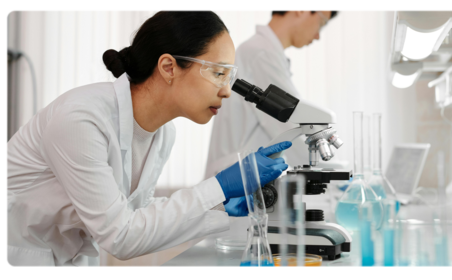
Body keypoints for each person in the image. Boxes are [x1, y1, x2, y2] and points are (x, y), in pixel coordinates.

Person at [4, 9, 291, 269]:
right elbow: (121, 236)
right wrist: (217, 186)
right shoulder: (81, 119)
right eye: (218, 73)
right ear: (168, 67)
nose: (227, 92)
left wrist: (218, 206)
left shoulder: (163, 133)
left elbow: (137, 217)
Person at [205, 8, 338, 179]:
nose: (318, 36)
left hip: (243, 174)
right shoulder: (261, 54)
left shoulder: (265, 52)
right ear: (301, 10)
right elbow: (291, 123)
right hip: (233, 178)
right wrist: (336, 171)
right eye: (321, 23)